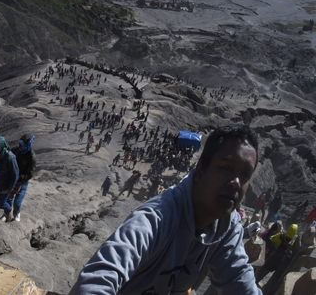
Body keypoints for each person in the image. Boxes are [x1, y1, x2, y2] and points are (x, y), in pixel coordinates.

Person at [69, 125, 261, 295]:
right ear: (201, 169)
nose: (236, 183)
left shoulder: (227, 226)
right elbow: (95, 281)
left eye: (245, 174)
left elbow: (239, 281)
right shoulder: (157, 219)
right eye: (227, 168)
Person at [0, 136, 19, 223]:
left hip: (4, 184)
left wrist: (11, 187)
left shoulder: (10, 157)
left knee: (1, 203)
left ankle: (9, 210)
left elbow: (15, 174)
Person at [7, 134, 35, 222]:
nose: (21, 146)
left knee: (17, 201)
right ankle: (7, 214)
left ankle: (17, 213)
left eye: (23, 144)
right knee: (9, 198)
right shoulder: (16, 150)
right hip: (12, 179)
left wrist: (21, 177)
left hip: (22, 181)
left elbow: (30, 173)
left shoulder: (31, 156)